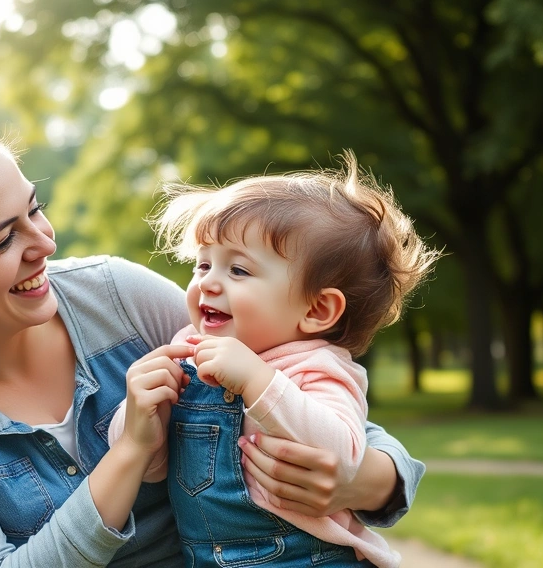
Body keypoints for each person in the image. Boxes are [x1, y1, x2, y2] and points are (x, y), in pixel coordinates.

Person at [0, 113, 425, 567]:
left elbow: (310, 382)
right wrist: (128, 454)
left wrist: (371, 476)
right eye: (4, 238)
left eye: (33, 207)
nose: (44, 242)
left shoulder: (116, 297)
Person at [109, 153, 440, 567]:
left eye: (239, 271)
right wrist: (139, 419)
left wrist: (257, 380)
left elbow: (342, 454)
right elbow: (154, 469)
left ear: (317, 310)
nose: (208, 281)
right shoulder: (187, 350)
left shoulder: (317, 366)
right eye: (204, 263)